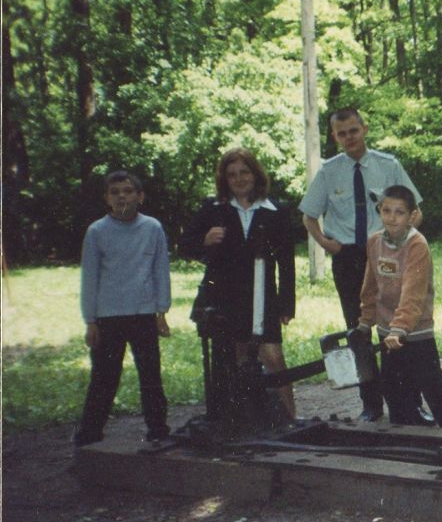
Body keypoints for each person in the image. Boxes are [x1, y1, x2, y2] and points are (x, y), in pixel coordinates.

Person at [299, 107, 426, 423]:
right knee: (359, 330)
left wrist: (400, 242)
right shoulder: (329, 171)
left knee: (396, 326)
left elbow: (417, 211)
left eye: (353, 131)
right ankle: (371, 404)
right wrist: (327, 244)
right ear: (334, 136)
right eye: (341, 134)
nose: (348, 138)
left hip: (386, 254)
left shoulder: (388, 166)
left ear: (364, 129)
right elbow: (308, 215)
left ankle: (408, 403)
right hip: (349, 259)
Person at [180, 148, 296, 418]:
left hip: (262, 297)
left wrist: (286, 305)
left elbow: (287, 263)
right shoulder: (213, 209)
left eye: (244, 172)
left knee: (274, 359)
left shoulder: (275, 211)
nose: (239, 178)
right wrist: (204, 240)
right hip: (225, 297)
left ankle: (291, 418)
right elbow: (185, 246)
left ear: (255, 174)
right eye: (232, 174)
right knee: (237, 360)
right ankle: (245, 419)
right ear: (225, 179)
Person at [355, 185, 442, 429]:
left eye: (399, 212)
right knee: (393, 388)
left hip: (416, 331)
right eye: (386, 211)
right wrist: (366, 320)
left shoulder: (417, 245)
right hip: (388, 331)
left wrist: (400, 328)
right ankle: (407, 431)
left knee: (432, 386)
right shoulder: (374, 242)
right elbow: (371, 284)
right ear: (380, 211)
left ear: (411, 216)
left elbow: (413, 292)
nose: (392, 218)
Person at [75, 170, 172, 446]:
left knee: (151, 375)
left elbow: (160, 270)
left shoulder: (152, 228)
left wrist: (161, 311)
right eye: (115, 192)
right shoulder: (97, 231)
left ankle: (158, 430)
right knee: (104, 377)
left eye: (128, 191)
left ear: (140, 197)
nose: (122, 197)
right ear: (107, 198)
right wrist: (90, 320)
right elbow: (89, 278)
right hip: (108, 316)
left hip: (143, 314)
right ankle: (90, 434)